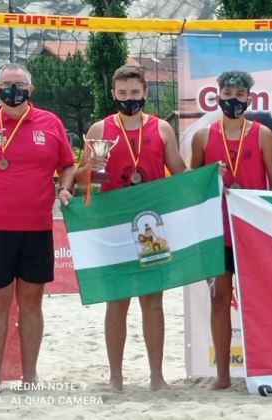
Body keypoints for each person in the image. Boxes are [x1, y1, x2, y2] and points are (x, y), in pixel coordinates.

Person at [0, 63, 75, 386]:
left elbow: (67, 164)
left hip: (37, 227)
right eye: (7, 85)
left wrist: (65, 187)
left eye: (19, 85)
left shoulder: (50, 123)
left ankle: (30, 375)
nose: (13, 91)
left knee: (31, 303)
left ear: (30, 90)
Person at [74, 65, 187, 391]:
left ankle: (156, 376)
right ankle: (116, 377)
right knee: (117, 302)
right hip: (113, 226)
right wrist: (94, 168)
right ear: (113, 94)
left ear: (145, 93)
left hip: (152, 226)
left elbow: (179, 171)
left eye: (134, 93)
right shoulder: (101, 129)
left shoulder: (162, 128)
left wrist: (206, 180)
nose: (129, 99)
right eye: (122, 94)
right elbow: (86, 181)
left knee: (153, 300)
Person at [190, 70, 272, 389]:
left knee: (257, 301)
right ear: (218, 97)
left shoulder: (262, 135)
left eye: (239, 95)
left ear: (249, 99)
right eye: (228, 94)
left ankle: (264, 368)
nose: (233, 100)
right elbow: (194, 189)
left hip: (251, 233)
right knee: (219, 301)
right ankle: (223, 375)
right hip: (218, 234)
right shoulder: (204, 136)